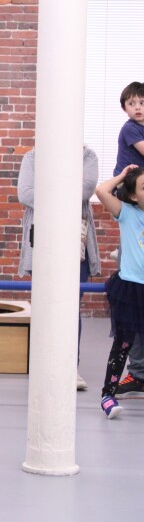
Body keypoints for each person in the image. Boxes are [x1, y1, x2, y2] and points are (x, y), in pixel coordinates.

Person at [17, 146, 101, 390]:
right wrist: (68, 188)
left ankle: (69, 368)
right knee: (45, 306)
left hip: (77, 246)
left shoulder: (87, 156)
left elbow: (85, 191)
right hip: (41, 242)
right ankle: (44, 366)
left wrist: (48, 190)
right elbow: (25, 193)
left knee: (70, 306)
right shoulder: (32, 157)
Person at [93, 164, 144, 418]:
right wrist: (123, 176)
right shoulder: (128, 213)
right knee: (123, 344)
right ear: (134, 195)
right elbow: (102, 190)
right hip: (131, 290)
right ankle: (107, 395)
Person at [112, 82, 144, 398]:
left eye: (142, 103)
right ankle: (127, 251)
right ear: (125, 109)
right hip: (128, 193)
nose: (137, 108)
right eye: (132, 103)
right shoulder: (131, 129)